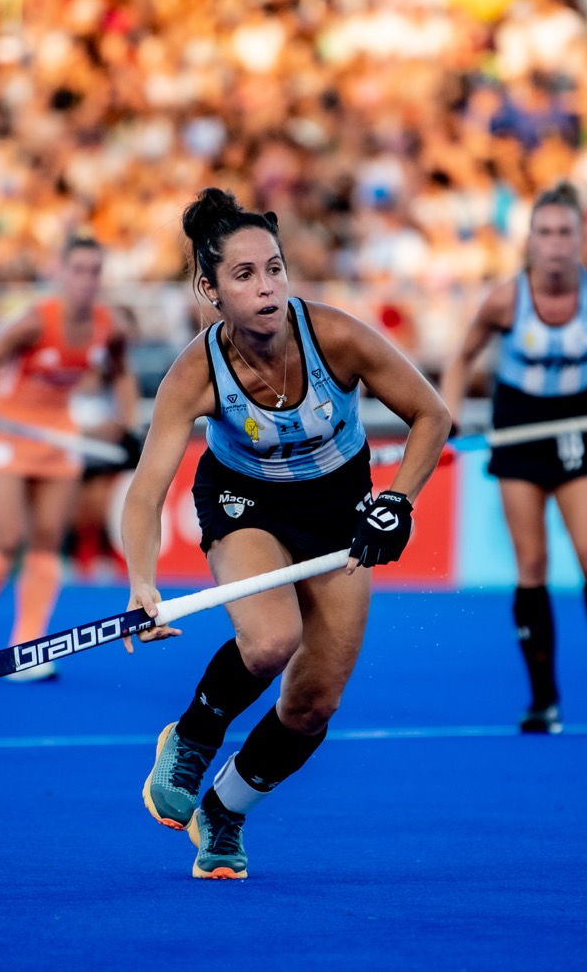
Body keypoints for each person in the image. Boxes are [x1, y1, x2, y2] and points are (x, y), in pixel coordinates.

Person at [123, 188, 450, 879]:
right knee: (271, 640)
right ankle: (191, 735)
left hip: (339, 509)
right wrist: (141, 581)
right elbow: (148, 489)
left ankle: (225, 809)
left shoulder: (335, 336)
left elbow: (432, 414)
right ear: (210, 289)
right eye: (244, 275)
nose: (267, 286)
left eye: (274, 268)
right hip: (246, 503)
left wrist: (398, 501)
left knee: (313, 703)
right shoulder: (193, 373)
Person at [439, 180, 587, 735]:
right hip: (517, 426)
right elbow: (460, 359)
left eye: (565, 231)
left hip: (577, 426)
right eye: (544, 232)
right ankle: (543, 699)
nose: (555, 243)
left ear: (582, 238)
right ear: (529, 241)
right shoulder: (504, 299)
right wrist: (449, 418)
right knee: (532, 568)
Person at [0, 233, 138, 682]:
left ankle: (26, 645)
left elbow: (122, 373)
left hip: (58, 436)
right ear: (61, 272)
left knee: (49, 539)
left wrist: (126, 424)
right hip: (6, 429)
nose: (87, 280)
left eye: (95, 271)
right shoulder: (35, 321)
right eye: (79, 270)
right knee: (8, 538)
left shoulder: (109, 326)